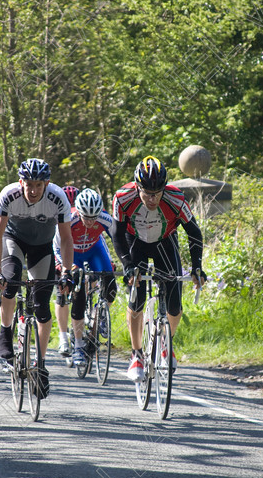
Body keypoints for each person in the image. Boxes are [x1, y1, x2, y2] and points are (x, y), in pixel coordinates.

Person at [111, 156, 206, 381]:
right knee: (137, 301)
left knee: (174, 305)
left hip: (165, 242)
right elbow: (116, 233)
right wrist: (127, 265)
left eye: (157, 192)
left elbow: (194, 233)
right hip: (135, 244)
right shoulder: (122, 198)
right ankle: (136, 355)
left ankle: (166, 342)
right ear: (137, 187)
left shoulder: (175, 199)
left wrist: (197, 268)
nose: (152, 199)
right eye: (147, 193)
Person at [0, 158, 74, 368]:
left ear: (46, 183)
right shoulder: (8, 195)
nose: (34, 190)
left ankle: (41, 363)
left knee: (42, 307)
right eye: (29, 185)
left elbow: (66, 239)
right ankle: (5, 331)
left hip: (42, 246)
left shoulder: (58, 197)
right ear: (21, 182)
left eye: (39, 185)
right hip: (13, 240)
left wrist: (66, 271)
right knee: (11, 280)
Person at [53, 188, 117, 365]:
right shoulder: (69, 218)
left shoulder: (105, 218)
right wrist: (64, 266)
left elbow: (119, 241)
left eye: (93, 217)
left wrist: (125, 262)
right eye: (86, 217)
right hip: (73, 255)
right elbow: (56, 246)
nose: (90, 222)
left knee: (111, 286)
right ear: (78, 211)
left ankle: (99, 313)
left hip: (94, 251)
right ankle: (79, 346)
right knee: (78, 294)